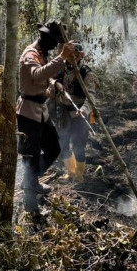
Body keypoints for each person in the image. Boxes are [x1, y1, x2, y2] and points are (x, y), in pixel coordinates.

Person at [17, 20, 75, 213]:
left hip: (41, 110)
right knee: (32, 156)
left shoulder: (42, 54)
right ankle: (30, 205)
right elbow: (36, 74)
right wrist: (61, 57)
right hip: (28, 112)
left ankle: (30, 179)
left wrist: (54, 83)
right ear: (45, 37)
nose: (55, 45)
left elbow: (46, 75)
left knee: (53, 148)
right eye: (54, 41)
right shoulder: (31, 53)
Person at [51, 44, 97, 182]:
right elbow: (50, 78)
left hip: (79, 114)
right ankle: (70, 173)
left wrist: (84, 109)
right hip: (63, 112)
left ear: (81, 55)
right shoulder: (61, 68)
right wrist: (55, 84)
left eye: (76, 55)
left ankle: (79, 176)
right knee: (63, 143)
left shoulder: (87, 73)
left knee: (78, 145)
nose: (73, 57)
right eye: (71, 54)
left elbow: (91, 96)